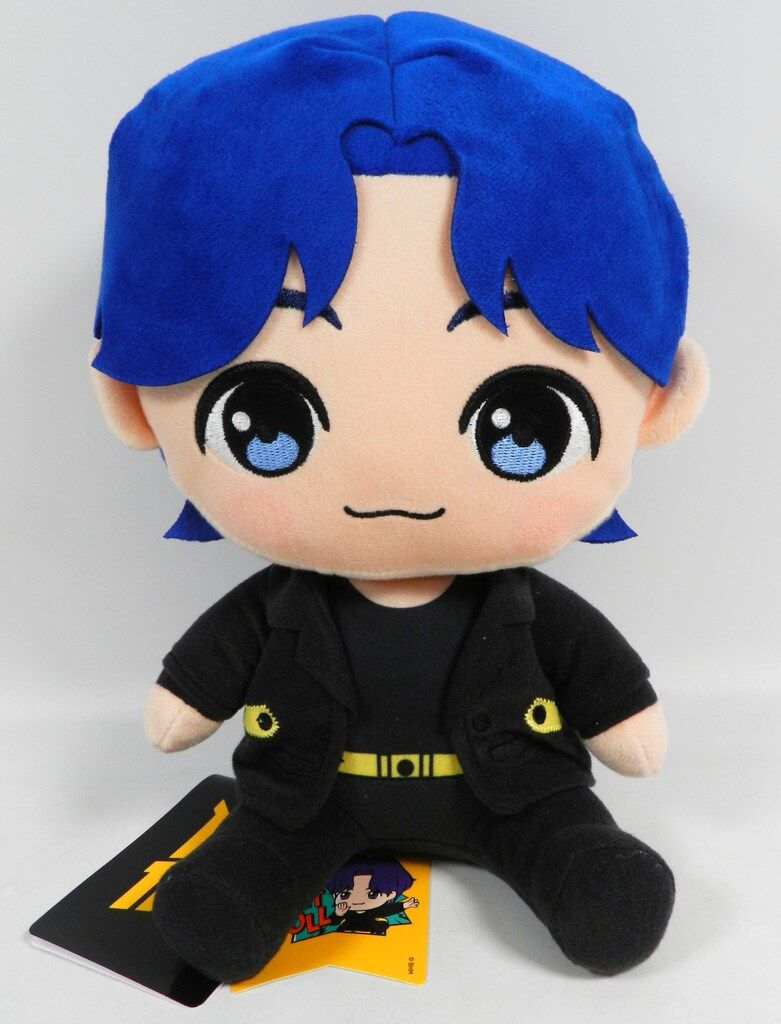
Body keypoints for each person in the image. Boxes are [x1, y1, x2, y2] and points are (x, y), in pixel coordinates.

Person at [89, 13, 709, 983]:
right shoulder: (279, 607)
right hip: (305, 795)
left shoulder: (526, 608)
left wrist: (619, 716)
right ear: (134, 403)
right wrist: (185, 698)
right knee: (235, 886)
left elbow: (600, 687)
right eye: (267, 419)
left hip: (519, 792)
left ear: (662, 401)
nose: (394, 479)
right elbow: (196, 691)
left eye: (522, 424)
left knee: (591, 877)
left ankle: (580, 869)